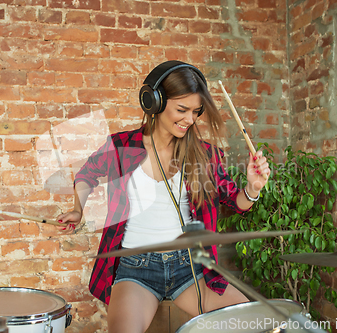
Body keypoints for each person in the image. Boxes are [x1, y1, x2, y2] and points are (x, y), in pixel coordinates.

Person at [56, 61, 270, 333]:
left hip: (188, 267)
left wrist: (253, 188)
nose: (189, 120)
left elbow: (235, 202)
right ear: (154, 102)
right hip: (136, 268)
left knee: (253, 324)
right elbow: (87, 174)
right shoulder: (122, 145)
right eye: (181, 110)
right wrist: (78, 209)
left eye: (195, 111)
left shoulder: (205, 154)